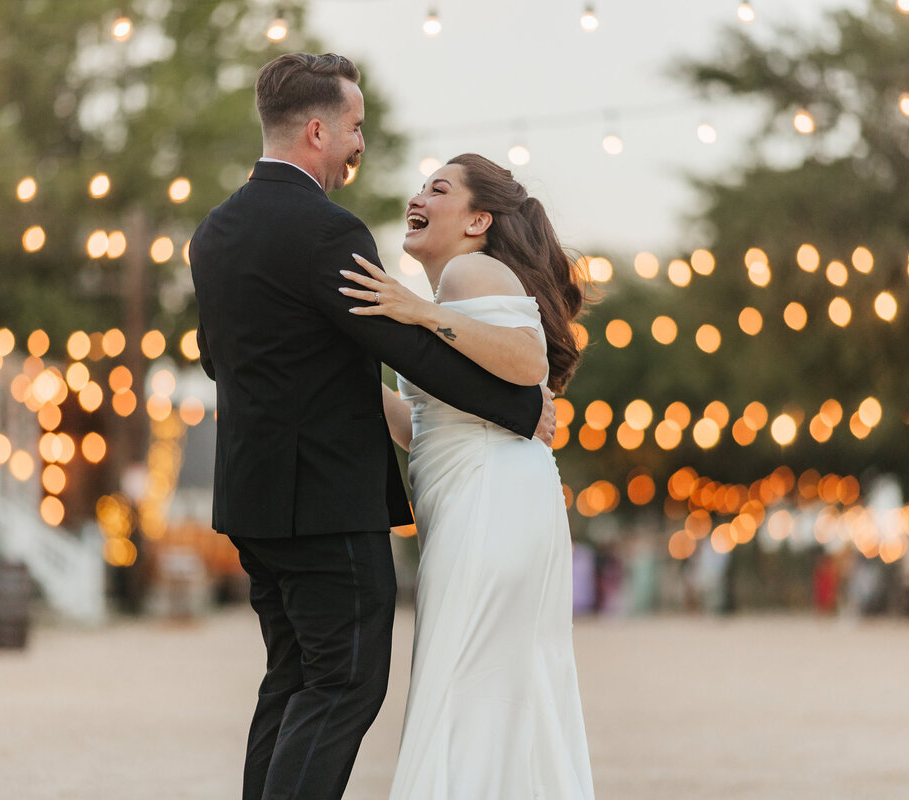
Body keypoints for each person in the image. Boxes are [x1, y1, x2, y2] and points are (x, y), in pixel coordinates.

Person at [188, 54, 556, 800]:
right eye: (355, 129)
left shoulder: (215, 232)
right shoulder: (329, 231)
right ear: (318, 130)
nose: (361, 146)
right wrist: (523, 408)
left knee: (291, 681)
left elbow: (211, 359)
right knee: (344, 687)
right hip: (326, 503)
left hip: (253, 502)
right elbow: (402, 343)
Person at [340, 153, 595, 798]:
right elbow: (417, 428)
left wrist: (417, 314)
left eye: (439, 188)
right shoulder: (452, 286)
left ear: (479, 219)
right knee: (495, 686)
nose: (418, 197)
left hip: (491, 500)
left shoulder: (468, 271)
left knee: (466, 680)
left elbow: (525, 357)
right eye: (422, 185)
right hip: (477, 497)